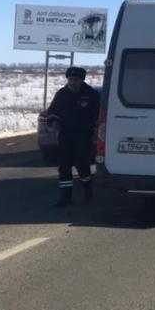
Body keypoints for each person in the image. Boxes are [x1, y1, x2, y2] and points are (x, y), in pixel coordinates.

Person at [47, 67, 100, 206]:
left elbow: (99, 115)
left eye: (75, 80)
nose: (72, 83)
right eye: (70, 80)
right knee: (64, 167)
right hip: (65, 135)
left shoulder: (92, 95)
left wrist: (96, 128)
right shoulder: (62, 94)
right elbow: (53, 111)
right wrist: (53, 121)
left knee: (82, 165)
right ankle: (66, 198)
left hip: (84, 136)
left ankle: (88, 191)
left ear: (82, 80)